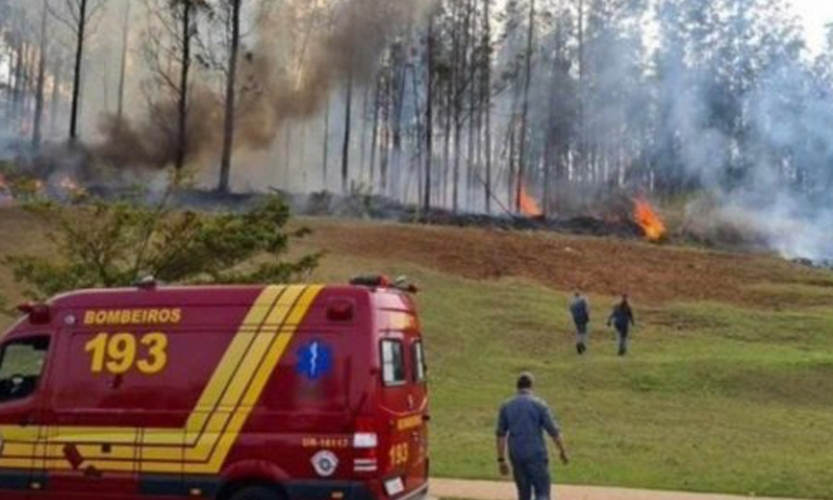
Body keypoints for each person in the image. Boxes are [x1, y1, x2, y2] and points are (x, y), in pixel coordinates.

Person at [496, 373, 570, 500]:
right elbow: (553, 431)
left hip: (516, 453)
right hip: (536, 453)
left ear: (517, 386)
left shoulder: (507, 406)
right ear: (531, 386)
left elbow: (500, 434)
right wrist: (562, 451)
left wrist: (501, 459)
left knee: (523, 493)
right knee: (542, 491)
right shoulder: (539, 405)